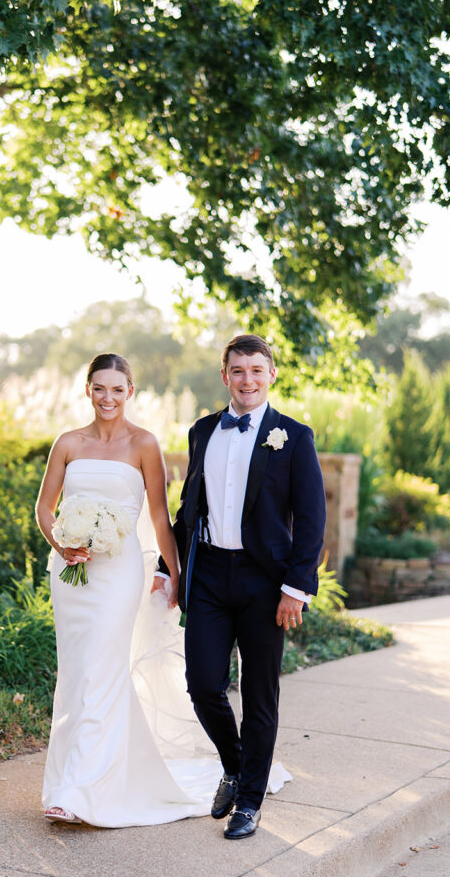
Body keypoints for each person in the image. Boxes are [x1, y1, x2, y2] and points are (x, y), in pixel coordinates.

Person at [35, 352, 221, 827]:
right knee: (76, 673)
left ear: (130, 392)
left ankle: (77, 788)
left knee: (101, 669)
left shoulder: (144, 444)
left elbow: (160, 516)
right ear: (87, 390)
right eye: (100, 388)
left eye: (118, 389)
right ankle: (73, 780)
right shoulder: (68, 442)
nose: (108, 397)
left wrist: (175, 573)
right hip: (70, 574)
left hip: (118, 576)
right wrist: (63, 542)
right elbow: (44, 509)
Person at [158, 334, 325, 840]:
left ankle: (249, 802)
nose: (247, 380)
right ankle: (235, 765)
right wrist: (170, 569)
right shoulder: (203, 430)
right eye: (237, 370)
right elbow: (190, 506)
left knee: (259, 693)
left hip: (265, 583)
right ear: (224, 375)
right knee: (203, 685)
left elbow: (312, 518)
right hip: (208, 575)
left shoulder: (293, 437)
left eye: (256, 370)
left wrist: (297, 586)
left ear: (271, 374)